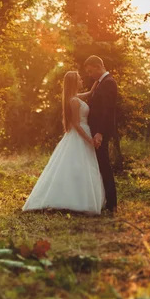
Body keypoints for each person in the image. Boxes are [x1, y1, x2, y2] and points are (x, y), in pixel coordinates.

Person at [22, 71, 105, 215]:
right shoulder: (73, 101)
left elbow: (86, 94)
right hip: (80, 134)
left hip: (83, 133)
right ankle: (72, 200)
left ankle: (79, 198)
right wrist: (89, 139)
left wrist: (94, 87)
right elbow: (76, 124)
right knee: (77, 167)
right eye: (79, 79)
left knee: (81, 167)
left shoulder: (75, 98)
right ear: (74, 82)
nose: (81, 80)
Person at [84, 55, 118, 213]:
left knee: (104, 166)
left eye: (91, 71)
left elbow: (108, 111)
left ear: (98, 66)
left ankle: (112, 203)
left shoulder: (109, 83)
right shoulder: (100, 83)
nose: (90, 74)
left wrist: (100, 132)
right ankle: (104, 200)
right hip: (96, 130)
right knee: (100, 165)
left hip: (100, 132)